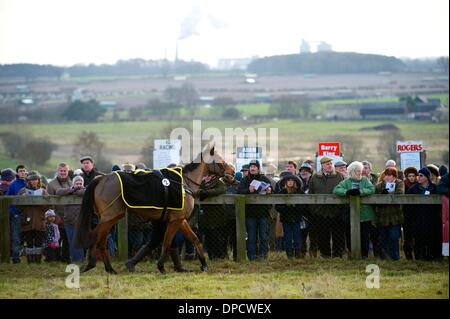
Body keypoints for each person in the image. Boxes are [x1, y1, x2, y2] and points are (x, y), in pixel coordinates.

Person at [333, 161, 376, 258]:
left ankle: (364, 256)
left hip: (365, 214)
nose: (360, 173)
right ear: (352, 171)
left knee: (365, 236)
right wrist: (347, 192)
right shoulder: (347, 181)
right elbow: (336, 190)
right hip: (351, 214)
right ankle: (352, 254)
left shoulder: (364, 180)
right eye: (357, 171)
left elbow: (372, 189)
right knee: (349, 235)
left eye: (360, 171)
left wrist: (360, 192)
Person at [308, 156, 345, 258]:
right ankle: (325, 254)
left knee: (338, 235)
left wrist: (340, 208)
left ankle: (338, 255)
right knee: (323, 235)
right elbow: (311, 194)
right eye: (327, 164)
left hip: (335, 211)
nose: (330, 166)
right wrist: (314, 210)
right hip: (321, 212)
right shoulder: (315, 177)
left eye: (330, 164)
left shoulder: (338, 176)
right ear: (322, 166)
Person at [237, 160, 273, 261]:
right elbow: (239, 191)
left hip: (263, 213)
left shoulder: (264, 179)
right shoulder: (245, 180)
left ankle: (263, 256)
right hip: (250, 213)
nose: (252, 168)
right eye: (251, 166)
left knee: (263, 236)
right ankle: (252, 257)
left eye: (254, 166)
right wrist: (248, 190)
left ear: (258, 168)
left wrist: (270, 190)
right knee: (251, 237)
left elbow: (272, 190)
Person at [405, 167, 441, 261]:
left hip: (432, 218)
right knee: (418, 238)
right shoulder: (413, 190)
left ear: (427, 177)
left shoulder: (434, 188)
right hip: (418, 218)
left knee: (432, 237)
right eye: (418, 175)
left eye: (421, 175)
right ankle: (419, 258)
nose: (418, 177)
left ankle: (433, 257)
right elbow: (407, 206)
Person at [374, 167, 404, 260]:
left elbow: (400, 193)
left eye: (390, 175)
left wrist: (388, 195)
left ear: (394, 176)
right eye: (386, 175)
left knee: (394, 237)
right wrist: (381, 196)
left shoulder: (399, 183)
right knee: (383, 238)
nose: (387, 177)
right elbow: (375, 197)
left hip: (395, 215)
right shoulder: (379, 185)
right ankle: (385, 257)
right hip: (382, 216)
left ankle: (395, 257)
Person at [19, 172, 48, 263]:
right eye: (32, 180)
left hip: (39, 220)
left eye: (36, 179)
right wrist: (22, 199)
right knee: (29, 242)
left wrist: (41, 202)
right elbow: (18, 206)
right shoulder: (23, 191)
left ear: (39, 180)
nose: (34, 182)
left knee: (39, 242)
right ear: (29, 181)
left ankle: (37, 260)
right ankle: (30, 260)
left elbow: (49, 205)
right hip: (27, 220)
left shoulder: (43, 191)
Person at [56, 175, 86, 263]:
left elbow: (84, 192)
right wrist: (72, 190)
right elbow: (58, 191)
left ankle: (80, 259)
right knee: (71, 242)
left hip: (80, 222)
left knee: (79, 241)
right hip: (69, 221)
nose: (79, 185)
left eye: (80, 183)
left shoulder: (85, 191)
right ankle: (74, 259)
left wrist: (76, 191)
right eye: (77, 183)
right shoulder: (68, 190)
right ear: (73, 184)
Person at [197, 174, 228, 260]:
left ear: (213, 176)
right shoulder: (202, 183)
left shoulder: (219, 182)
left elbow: (221, 190)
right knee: (208, 237)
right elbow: (196, 191)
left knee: (218, 237)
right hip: (206, 215)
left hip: (218, 215)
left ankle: (220, 257)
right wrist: (203, 188)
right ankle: (211, 256)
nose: (207, 177)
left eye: (209, 175)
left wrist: (205, 192)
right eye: (206, 175)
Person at [46, 163, 72, 263]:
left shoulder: (72, 182)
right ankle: (54, 259)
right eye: (61, 170)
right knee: (55, 238)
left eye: (65, 170)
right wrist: (54, 216)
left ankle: (65, 258)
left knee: (67, 238)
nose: (63, 172)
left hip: (68, 216)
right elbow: (48, 201)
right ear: (57, 171)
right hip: (55, 216)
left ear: (67, 171)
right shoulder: (51, 184)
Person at [275, 172, 304, 259]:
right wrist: (286, 207)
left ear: (295, 182)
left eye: (292, 180)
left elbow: (304, 205)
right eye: (288, 180)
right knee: (287, 237)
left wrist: (296, 206)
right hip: (286, 219)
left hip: (297, 218)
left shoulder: (300, 192)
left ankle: (298, 254)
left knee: (297, 237)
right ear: (285, 182)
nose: (290, 182)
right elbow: (277, 207)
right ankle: (289, 255)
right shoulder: (281, 193)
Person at [6, 165, 28, 263]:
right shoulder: (13, 185)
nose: (22, 172)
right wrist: (13, 212)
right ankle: (16, 258)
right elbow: (7, 200)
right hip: (17, 214)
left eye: (24, 171)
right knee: (16, 236)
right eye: (20, 171)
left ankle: (32, 257)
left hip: (28, 214)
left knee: (28, 235)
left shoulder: (29, 183)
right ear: (17, 173)